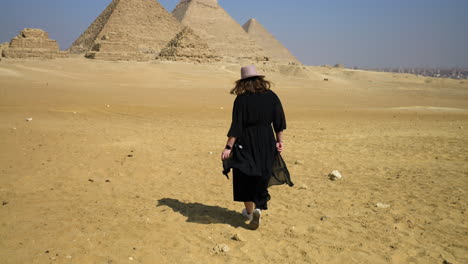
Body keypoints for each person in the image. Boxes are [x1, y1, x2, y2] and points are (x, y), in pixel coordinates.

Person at [221, 65, 286, 230]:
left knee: (244, 176)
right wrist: (279, 141)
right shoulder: (272, 96)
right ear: (260, 79)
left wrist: (228, 147)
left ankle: (249, 212)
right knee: (261, 175)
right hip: (266, 141)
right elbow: (279, 121)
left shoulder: (241, 100)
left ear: (242, 82)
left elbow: (237, 126)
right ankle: (258, 208)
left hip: (246, 142)